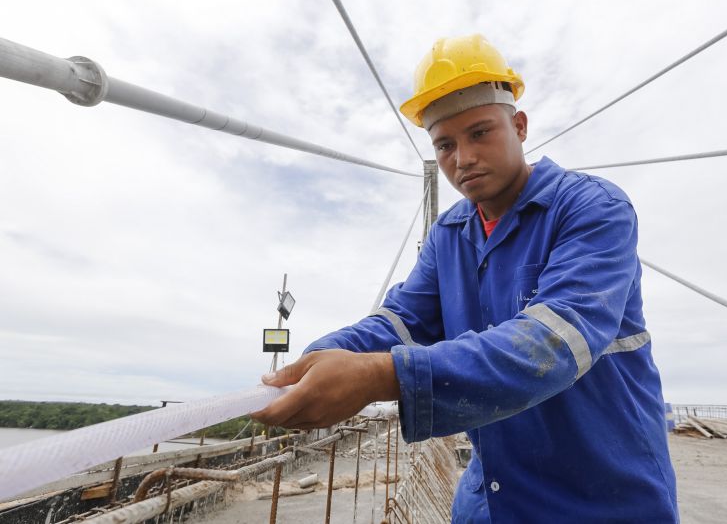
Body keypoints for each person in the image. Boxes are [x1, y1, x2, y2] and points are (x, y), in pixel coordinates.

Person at [252, 34, 678, 523]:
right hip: (493, 498)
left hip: (602, 497)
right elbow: (402, 321)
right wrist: (318, 359)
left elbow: (553, 343)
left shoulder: (593, 209)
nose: (463, 158)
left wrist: (374, 376)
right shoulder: (449, 235)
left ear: (519, 125)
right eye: (445, 144)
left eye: (480, 133)